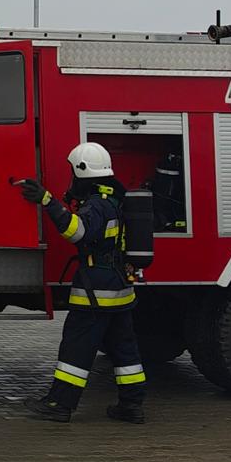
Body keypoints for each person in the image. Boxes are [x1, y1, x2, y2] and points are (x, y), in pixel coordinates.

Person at [17, 142, 147, 424]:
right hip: (120, 290)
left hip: (96, 294)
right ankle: (132, 405)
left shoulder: (98, 205)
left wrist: (47, 200)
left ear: (82, 171)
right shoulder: (115, 199)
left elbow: (77, 232)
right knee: (125, 351)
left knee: (76, 347)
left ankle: (59, 404)